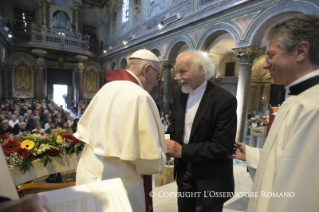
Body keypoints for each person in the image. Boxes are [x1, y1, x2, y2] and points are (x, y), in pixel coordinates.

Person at [231, 14, 319, 212]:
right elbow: (290, 161)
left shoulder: (311, 107)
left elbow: (297, 193)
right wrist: (252, 154)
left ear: (301, 51)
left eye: (271, 55)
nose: (264, 64)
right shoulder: (298, 98)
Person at [74, 49, 167, 212]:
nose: (157, 82)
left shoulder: (106, 88)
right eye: (157, 76)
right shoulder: (140, 96)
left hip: (88, 172)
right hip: (119, 185)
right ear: (146, 69)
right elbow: (149, 163)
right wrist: (162, 154)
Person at [166, 50, 237, 212]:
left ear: (201, 69)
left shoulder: (224, 100)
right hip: (184, 170)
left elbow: (221, 146)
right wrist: (166, 143)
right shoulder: (179, 94)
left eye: (183, 71)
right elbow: (174, 126)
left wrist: (182, 150)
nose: (178, 77)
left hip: (210, 175)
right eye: (176, 72)